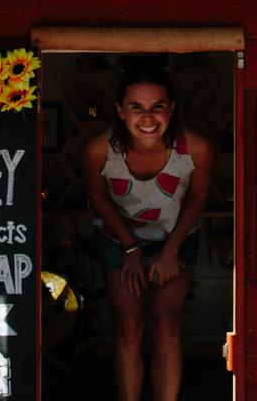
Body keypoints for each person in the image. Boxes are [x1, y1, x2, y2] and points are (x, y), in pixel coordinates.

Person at [83, 65, 213, 401]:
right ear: (120, 111)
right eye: (136, 107)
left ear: (172, 108)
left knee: (167, 326)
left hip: (176, 236)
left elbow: (199, 197)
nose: (148, 117)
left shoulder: (195, 147)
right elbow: (96, 195)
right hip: (118, 237)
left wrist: (171, 251)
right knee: (129, 327)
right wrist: (130, 248)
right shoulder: (100, 148)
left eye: (157, 106)